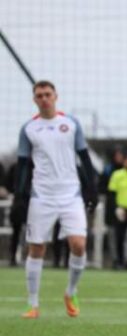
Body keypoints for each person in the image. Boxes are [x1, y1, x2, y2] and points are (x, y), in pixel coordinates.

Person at [14, 80, 98, 319]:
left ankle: (70, 292)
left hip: (71, 194)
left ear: (55, 96)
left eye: (47, 94)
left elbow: (84, 157)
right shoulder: (29, 128)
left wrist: (92, 189)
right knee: (37, 248)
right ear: (34, 99)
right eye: (39, 95)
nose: (44, 98)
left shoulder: (70, 124)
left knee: (79, 245)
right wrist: (19, 196)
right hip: (41, 196)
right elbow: (22, 164)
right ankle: (33, 304)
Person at [100, 146, 125, 267]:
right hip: (112, 207)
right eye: (117, 155)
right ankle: (115, 260)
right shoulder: (108, 170)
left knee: (125, 236)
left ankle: (126, 260)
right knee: (113, 235)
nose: (119, 158)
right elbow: (101, 187)